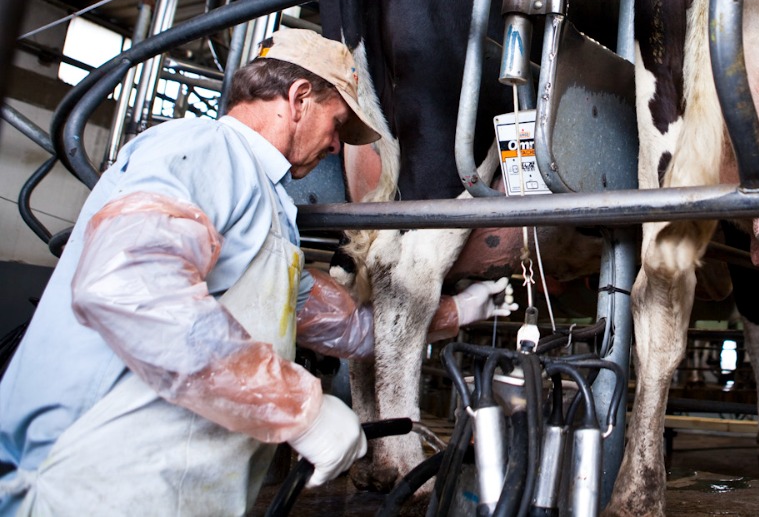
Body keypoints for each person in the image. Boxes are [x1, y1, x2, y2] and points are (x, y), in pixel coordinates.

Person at [0, 28, 516, 516]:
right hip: (88, 483)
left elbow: (347, 329)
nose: (338, 146)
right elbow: (130, 289)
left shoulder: (268, 209)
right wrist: (299, 407)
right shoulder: (202, 151)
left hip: (164, 489)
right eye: (336, 124)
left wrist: (459, 310)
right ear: (297, 99)